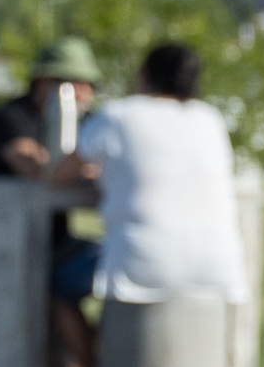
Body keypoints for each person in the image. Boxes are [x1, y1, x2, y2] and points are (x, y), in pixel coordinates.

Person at [0, 35, 105, 367]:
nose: (82, 92)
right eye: (71, 83)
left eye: (86, 85)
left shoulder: (89, 122)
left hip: (54, 240)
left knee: (104, 273)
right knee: (55, 284)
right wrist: (78, 168)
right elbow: (31, 164)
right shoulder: (13, 116)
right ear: (44, 82)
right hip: (6, 243)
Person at [77, 41, 248, 308]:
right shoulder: (211, 119)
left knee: (61, 280)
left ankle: (87, 351)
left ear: (144, 73)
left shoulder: (119, 114)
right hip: (219, 266)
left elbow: (60, 172)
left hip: (139, 262)